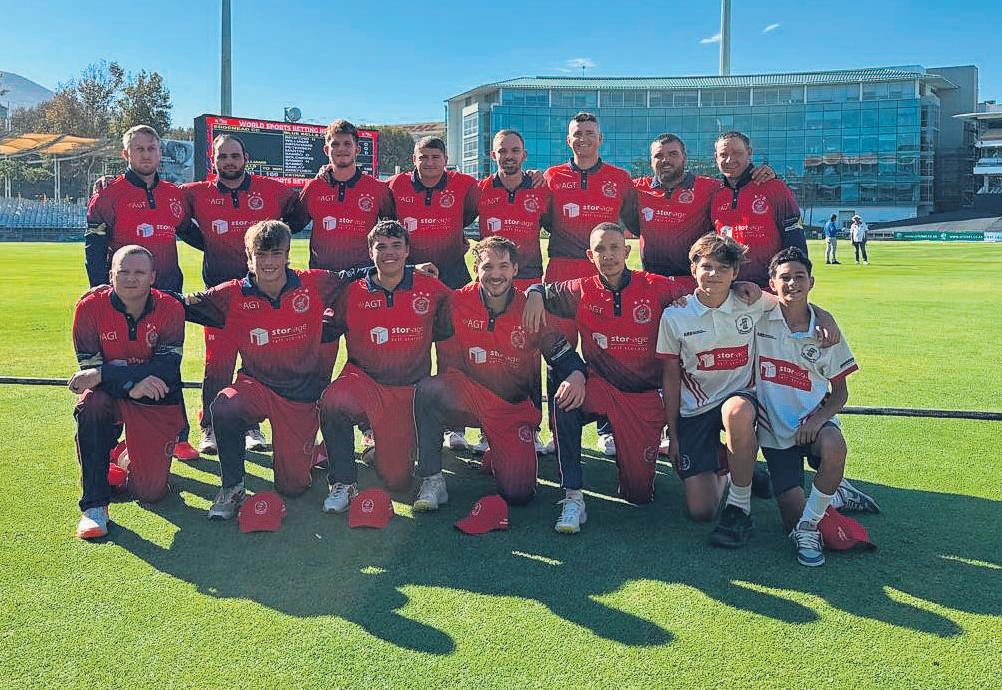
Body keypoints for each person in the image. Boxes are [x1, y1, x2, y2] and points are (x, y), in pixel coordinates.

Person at [180, 221, 378, 518]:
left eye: (276, 254)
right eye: (261, 254)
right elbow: (180, 304)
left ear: (287, 255)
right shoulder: (232, 294)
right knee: (225, 405)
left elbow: (354, 275)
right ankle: (232, 488)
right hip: (255, 385)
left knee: (293, 486)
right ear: (249, 257)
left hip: (299, 396)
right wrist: (129, 290)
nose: (269, 262)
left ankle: (312, 454)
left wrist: (412, 269)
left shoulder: (313, 283)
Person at [657, 234, 841, 548]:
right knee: (701, 511)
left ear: (735, 273)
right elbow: (671, 378)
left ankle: (739, 507)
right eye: (707, 267)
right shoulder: (675, 315)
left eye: (723, 268)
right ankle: (734, 470)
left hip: (741, 398)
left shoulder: (751, 301)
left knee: (738, 412)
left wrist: (825, 316)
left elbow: (793, 299)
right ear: (693, 269)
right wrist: (673, 435)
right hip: (696, 410)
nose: (714, 275)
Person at [522, 223, 689, 533]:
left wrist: (686, 302)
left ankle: (640, 462)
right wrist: (534, 292)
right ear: (590, 255)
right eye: (600, 249)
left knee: (638, 495)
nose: (608, 255)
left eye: (614, 248)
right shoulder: (581, 288)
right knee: (565, 398)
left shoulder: (657, 286)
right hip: (600, 387)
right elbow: (542, 293)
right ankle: (572, 496)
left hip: (643, 398)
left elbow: (703, 299)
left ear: (627, 251)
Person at [412, 236, 586, 509]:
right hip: (470, 397)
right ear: (475, 269)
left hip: (510, 409)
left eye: (503, 266)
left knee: (519, 494)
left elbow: (562, 353)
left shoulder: (529, 308)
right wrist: (411, 270)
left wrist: (576, 373)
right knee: (428, 390)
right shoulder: (458, 301)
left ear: (515, 269)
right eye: (488, 267)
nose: (496, 274)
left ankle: (500, 452)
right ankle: (432, 479)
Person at [318, 220, 453, 513]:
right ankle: (343, 483)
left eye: (396, 246)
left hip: (409, 389)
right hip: (364, 381)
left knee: (397, 479)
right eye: (381, 247)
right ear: (370, 252)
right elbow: (324, 329)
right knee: (333, 401)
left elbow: (458, 317)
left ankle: (395, 454)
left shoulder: (431, 288)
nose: (388, 252)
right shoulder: (352, 292)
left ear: (407, 251)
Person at [179, 134, 301, 455]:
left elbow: (300, 211)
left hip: (261, 295)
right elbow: (171, 211)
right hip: (219, 298)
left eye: (235, 156)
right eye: (223, 156)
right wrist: (208, 241)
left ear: (245, 158)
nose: (229, 162)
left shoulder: (271, 190)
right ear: (213, 160)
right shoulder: (196, 193)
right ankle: (210, 426)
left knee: (257, 361)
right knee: (217, 363)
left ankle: (250, 425)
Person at [756, 248, 878, 566]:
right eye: (785, 277)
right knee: (790, 520)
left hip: (814, 423)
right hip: (775, 433)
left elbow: (840, 393)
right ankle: (834, 496)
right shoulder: (757, 317)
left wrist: (816, 421)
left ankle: (810, 526)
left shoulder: (826, 333)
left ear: (811, 282)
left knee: (835, 445)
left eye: (800, 277)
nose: (792, 283)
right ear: (772, 283)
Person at [85, 124, 198, 461]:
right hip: (125, 299)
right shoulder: (109, 194)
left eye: (151, 148)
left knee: (169, 363)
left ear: (160, 153)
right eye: (139, 149)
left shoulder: (174, 194)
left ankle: (178, 436)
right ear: (126, 154)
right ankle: (115, 438)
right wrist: (99, 289)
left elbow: (192, 232)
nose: (146, 155)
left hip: (167, 297)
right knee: (122, 363)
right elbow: (94, 246)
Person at [70, 245, 185, 539]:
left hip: (155, 398)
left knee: (150, 493)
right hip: (110, 395)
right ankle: (94, 506)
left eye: (139, 272)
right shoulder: (89, 307)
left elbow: (167, 368)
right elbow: (89, 374)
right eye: (123, 272)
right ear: (111, 275)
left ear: (153, 277)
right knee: (92, 404)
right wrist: (130, 384)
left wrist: (106, 374)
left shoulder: (170, 308)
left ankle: (123, 454)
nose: (131, 278)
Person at [544, 112, 639, 457]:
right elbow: (541, 218)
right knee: (557, 351)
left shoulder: (620, 179)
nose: (582, 138)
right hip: (561, 272)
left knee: (605, 349)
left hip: (604, 273)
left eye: (589, 133)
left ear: (601, 139)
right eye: (577, 134)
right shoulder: (551, 177)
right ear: (568, 140)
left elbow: (636, 222)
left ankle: (607, 427)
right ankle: (559, 430)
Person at [474, 129, 554, 453]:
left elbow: (557, 228)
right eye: (502, 150)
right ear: (493, 155)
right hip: (490, 285)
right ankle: (486, 429)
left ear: (524, 155)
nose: (508, 156)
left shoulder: (540, 189)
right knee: (490, 356)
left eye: (514, 150)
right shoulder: (478, 190)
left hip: (528, 283)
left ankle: (531, 427)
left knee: (528, 357)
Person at [632, 133, 775, 290]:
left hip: (696, 284)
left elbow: (738, 186)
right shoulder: (637, 188)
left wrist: (762, 175)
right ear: (651, 160)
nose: (665, 160)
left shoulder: (712, 188)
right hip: (653, 282)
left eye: (673, 154)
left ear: (684, 157)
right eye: (659, 155)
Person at [710, 131, 808, 287]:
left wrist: (790, 283)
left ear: (749, 153)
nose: (729, 159)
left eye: (737, 153)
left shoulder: (774, 187)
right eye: (723, 154)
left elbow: (795, 239)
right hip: (728, 289)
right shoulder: (714, 193)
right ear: (716, 157)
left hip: (769, 288)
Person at [386, 136, 478, 290]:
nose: (429, 163)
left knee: (456, 306)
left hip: (453, 270)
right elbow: (386, 215)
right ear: (414, 159)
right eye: (423, 157)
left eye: (435, 157)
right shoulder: (395, 184)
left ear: (445, 160)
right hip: (409, 269)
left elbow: (470, 213)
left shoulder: (465, 183)